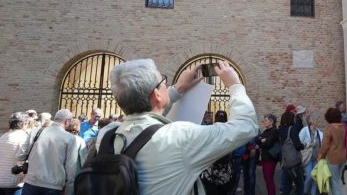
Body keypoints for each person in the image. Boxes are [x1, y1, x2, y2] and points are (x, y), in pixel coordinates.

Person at [94, 58, 257, 195]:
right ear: (157, 94)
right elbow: (245, 126)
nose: (166, 84)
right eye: (163, 80)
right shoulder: (179, 136)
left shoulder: (108, 135)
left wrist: (178, 89)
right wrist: (235, 85)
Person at [20, 108, 81, 195]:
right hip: (53, 185)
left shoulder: (35, 132)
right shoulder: (70, 138)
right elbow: (71, 167)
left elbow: (20, 155)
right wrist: (69, 189)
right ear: (67, 121)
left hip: (31, 182)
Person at [0, 112, 29, 195]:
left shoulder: (0, 137)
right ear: (24, 124)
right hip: (14, 184)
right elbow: (22, 161)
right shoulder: (25, 137)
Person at [201, 110, 235, 195]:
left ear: (215, 119)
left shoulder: (209, 131)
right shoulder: (230, 132)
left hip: (211, 173)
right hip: (224, 174)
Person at [317, 107, 347, 195]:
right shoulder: (343, 127)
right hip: (343, 158)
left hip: (333, 159)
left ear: (329, 117)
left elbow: (325, 145)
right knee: (336, 181)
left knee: (335, 184)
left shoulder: (329, 128)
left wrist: (320, 155)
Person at [278, 111, 304, 195]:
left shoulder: (280, 129)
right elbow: (297, 145)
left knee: (287, 186)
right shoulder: (292, 129)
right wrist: (303, 146)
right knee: (300, 185)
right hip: (294, 162)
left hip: (285, 161)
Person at [299, 118, 322, 195]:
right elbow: (299, 143)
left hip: (316, 158)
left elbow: (321, 144)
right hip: (307, 158)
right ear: (311, 122)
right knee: (309, 176)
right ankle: (305, 192)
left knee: (315, 177)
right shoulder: (304, 130)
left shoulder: (319, 132)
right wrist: (310, 144)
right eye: (316, 120)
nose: (317, 122)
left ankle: (313, 193)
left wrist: (321, 153)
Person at [257, 114, 279, 195]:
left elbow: (268, 143)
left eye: (266, 120)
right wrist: (262, 140)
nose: (264, 122)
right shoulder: (266, 131)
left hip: (271, 159)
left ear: (271, 121)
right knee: (267, 179)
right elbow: (257, 140)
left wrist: (262, 141)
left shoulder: (275, 131)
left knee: (269, 179)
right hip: (265, 158)